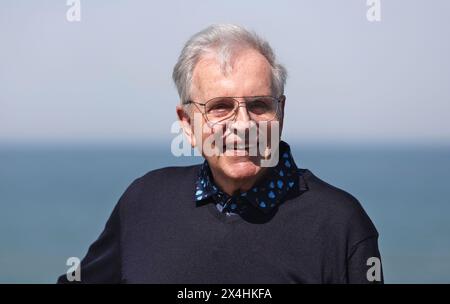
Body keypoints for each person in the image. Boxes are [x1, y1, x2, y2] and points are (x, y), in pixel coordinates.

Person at [58, 24, 383, 284]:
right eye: (220, 107)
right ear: (186, 122)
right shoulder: (145, 201)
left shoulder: (340, 223)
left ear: (280, 112)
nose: (243, 125)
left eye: (259, 105)